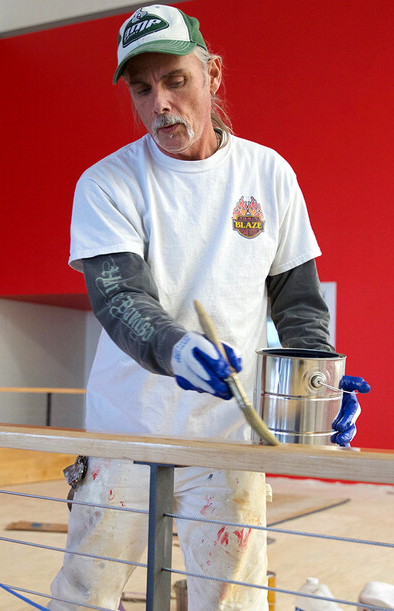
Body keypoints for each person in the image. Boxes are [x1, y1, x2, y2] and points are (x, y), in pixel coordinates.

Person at [50, 5, 369, 610]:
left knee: (231, 603)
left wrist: (315, 386)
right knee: (85, 597)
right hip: (127, 429)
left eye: (176, 80)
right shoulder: (107, 183)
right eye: (142, 90)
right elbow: (120, 297)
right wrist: (177, 349)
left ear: (213, 74)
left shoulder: (268, 173)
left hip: (228, 440)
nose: (161, 104)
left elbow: (298, 302)